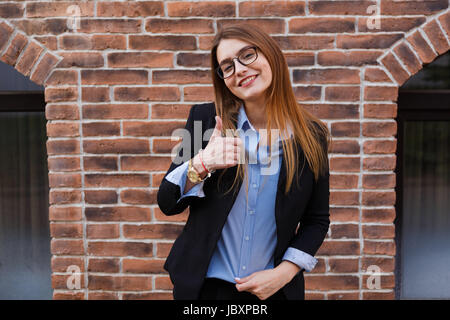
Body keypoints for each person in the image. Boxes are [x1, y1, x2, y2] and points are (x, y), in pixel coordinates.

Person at [157, 23, 331, 300]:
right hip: (205, 290)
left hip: (274, 290)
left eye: (247, 55)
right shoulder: (204, 121)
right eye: (227, 66)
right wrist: (203, 162)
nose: (238, 69)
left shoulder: (313, 135)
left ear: (271, 55)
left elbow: (316, 220)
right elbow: (167, 202)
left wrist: (283, 273)